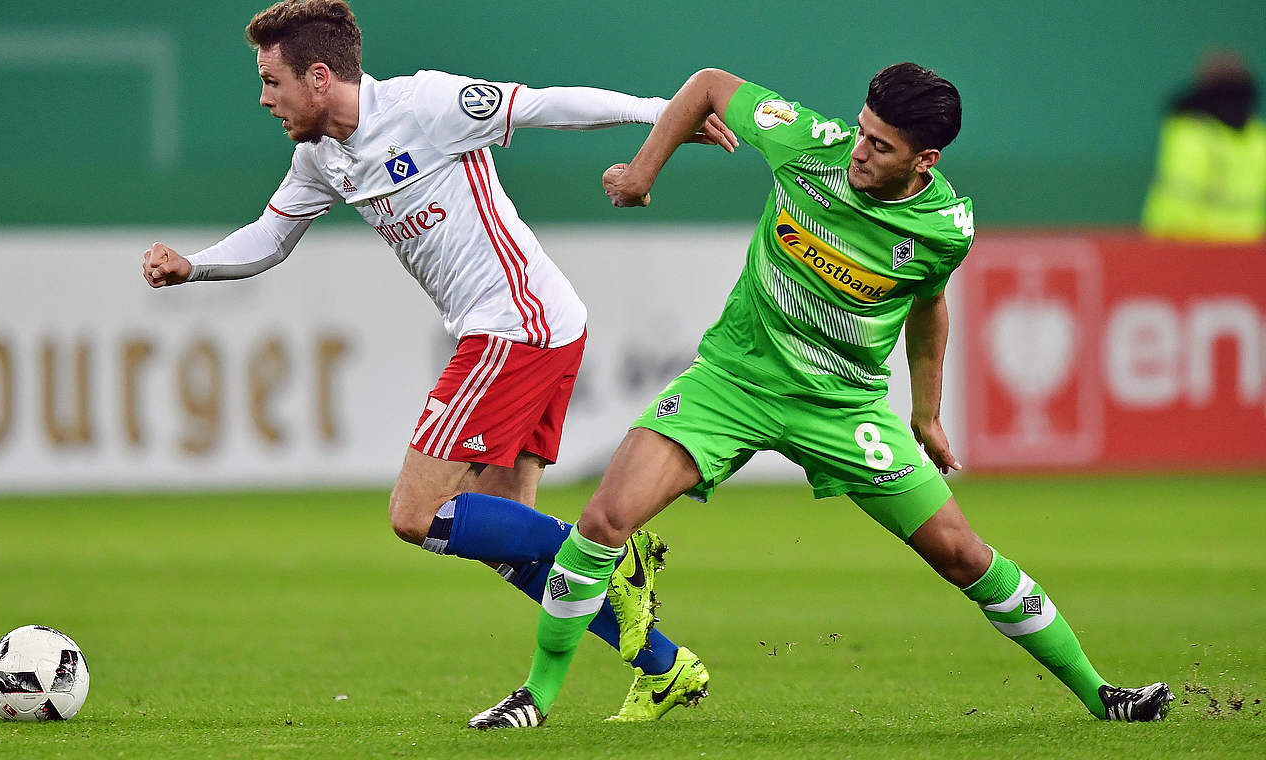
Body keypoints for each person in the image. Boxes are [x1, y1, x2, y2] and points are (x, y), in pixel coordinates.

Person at [470, 64, 1174, 729]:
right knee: (602, 520)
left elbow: (929, 304)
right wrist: (639, 173)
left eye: (880, 145)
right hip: (733, 383)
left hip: (845, 409)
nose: (859, 152)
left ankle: (1101, 694)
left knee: (963, 555)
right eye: (862, 130)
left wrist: (925, 412)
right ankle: (537, 694)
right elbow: (710, 86)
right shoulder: (806, 141)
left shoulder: (944, 228)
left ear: (924, 160)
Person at [141, 0, 736, 721]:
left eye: (272, 81)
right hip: (532, 328)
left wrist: (661, 115)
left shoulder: (425, 105)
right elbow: (271, 236)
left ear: (320, 76)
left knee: (414, 513)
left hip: (515, 326)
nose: (264, 99)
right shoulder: (320, 157)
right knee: (504, 539)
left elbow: (544, 106)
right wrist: (193, 267)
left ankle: (610, 551)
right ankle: (664, 664)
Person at [1142, 50, 1266, 242]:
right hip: (1246, 250)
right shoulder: (1258, 137)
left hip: (1189, 247)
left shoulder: (1189, 132)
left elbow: (1180, 195)